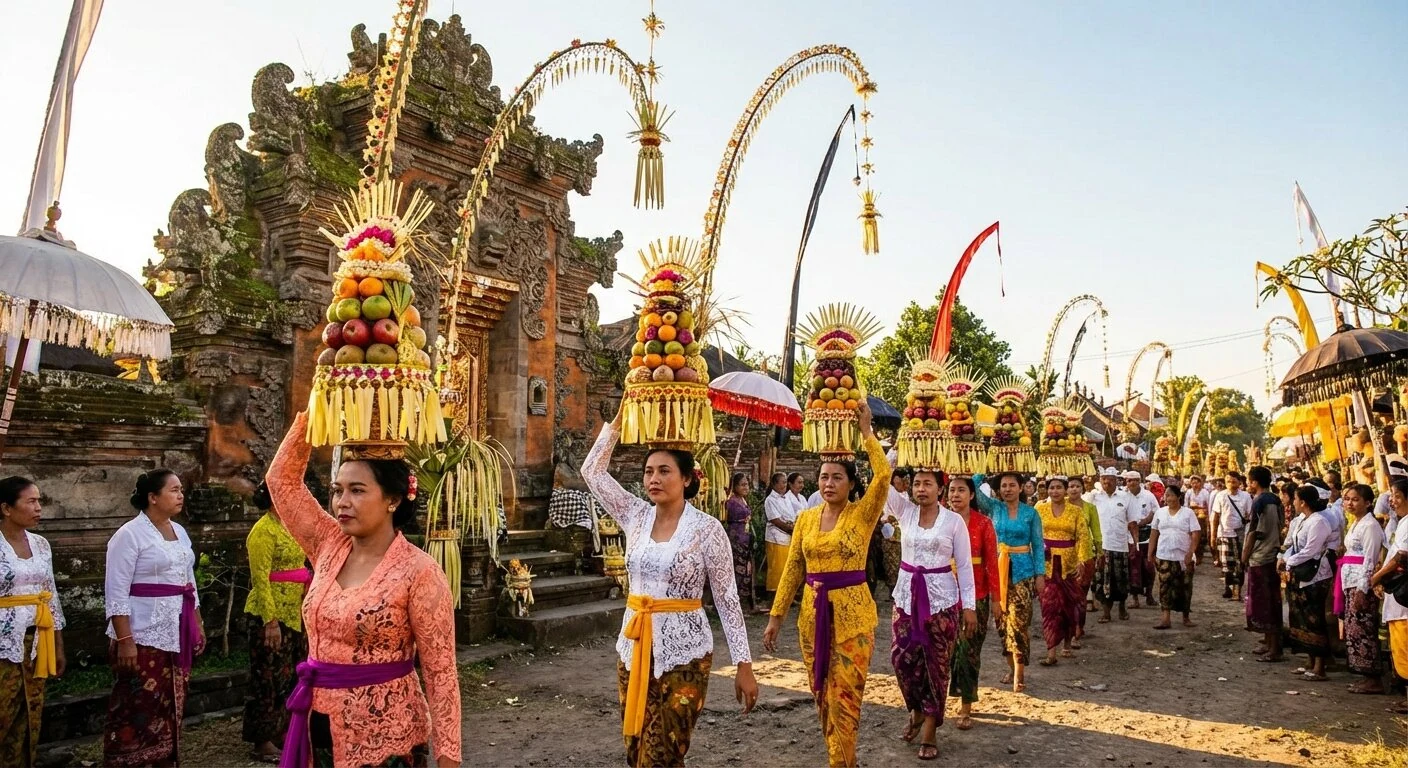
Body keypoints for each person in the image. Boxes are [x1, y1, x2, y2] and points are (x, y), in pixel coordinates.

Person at [266, 413, 461, 768]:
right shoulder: (328, 545)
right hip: (318, 721)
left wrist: (449, 757)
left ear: (393, 500)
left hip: (388, 736)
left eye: (357, 490)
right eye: (337, 490)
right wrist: (317, 411)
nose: (342, 501)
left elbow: (441, 671)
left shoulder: (419, 571)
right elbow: (282, 481)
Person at [583, 408, 757, 767]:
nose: (654, 479)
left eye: (664, 471)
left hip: (685, 652)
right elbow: (592, 472)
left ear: (687, 478)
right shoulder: (635, 515)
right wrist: (618, 423)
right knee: (636, 748)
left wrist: (744, 664)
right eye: (649, 471)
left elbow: (727, 599)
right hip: (633, 647)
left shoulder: (707, 529)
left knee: (664, 752)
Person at [764, 402, 888, 768]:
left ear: (851, 483)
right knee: (822, 693)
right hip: (812, 616)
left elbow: (883, 477)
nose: (829, 483)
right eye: (823, 477)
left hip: (854, 619)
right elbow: (793, 569)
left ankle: (840, 762)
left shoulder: (863, 514)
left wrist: (867, 433)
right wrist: (775, 617)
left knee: (845, 696)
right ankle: (842, 757)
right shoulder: (805, 518)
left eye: (837, 478)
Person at [103, 469, 205, 767]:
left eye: (181, 490)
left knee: (172, 699)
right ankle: (129, 759)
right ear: (153, 497)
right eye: (174, 490)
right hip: (142, 632)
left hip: (178, 627)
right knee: (137, 703)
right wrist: (125, 640)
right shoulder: (129, 535)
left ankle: (164, 758)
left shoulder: (180, 532)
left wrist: (197, 623)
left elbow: (188, 581)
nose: (181, 495)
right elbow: (116, 591)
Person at [888, 469, 977, 760]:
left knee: (936, 666)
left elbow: (964, 565)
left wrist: (969, 607)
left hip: (941, 602)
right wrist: (895, 452)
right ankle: (915, 710)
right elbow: (882, 479)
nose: (921, 489)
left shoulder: (953, 522)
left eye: (928, 484)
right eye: (916, 483)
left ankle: (929, 729)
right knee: (902, 660)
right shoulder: (904, 512)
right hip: (906, 598)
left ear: (940, 489)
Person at [242, 480, 311, 763]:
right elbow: (260, 579)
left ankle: (285, 731)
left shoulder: (292, 526)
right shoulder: (263, 531)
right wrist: (270, 622)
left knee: (292, 674)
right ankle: (262, 740)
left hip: (295, 611)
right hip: (269, 614)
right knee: (267, 677)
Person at [0, 477, 66, 768]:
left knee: (29, 717)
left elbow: (50, 594)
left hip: (38, 640)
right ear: (6, 508)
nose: (39, 508)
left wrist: (58, 644)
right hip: (4, 644)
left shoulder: (40, 544)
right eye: (31, 501)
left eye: (39, 501)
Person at [973, 472, 1045, 692]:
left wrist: (1040, 575)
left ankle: (1020, 673)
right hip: (997, 572)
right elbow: (974, 490)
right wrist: (983, 473)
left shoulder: (1031, 513)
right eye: (1003, 486)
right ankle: (1012, 668)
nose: (1007, 489)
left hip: (1023, 573)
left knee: (1019, 623)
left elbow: (1038, 545)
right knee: (1002, 624)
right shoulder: (994, 508)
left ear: (1021, 487)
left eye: (1012, 485)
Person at [945, 476, 998, 732]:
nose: (955, 495)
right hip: (944, 594)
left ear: (972, 495)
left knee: (969, 651)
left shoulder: (983, 523)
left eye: (961, 490)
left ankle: (966, 704)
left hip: (976, 596)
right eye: (952, 490)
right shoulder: (940, 520)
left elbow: (992, 564)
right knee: (947, 650)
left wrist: (997, 599)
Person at [1034, 477, 1092, 665]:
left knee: (1069, 606)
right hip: (1046, 564)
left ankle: (1067, 644)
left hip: (1069, 566)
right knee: (1049, 607)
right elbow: (1034, 535)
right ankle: (1051, 652)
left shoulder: (1076, 511)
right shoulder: (1039, 509)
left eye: (1059, 487)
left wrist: (1082, 560)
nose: (1055, 491)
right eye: (1051, 488)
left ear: (1065, 490)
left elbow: (1083, 537)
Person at [1280, 484, 1335, 681]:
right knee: (1302, 618)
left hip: (1315, 575)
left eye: (1295, 499)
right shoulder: (1303, 520)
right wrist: (1285, 558)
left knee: (1314, 619)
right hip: (1300, 573)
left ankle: (1320, 666)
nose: (1293, 502)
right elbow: (1294, 545)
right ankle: (1310, 661)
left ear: (1303, 502)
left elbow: (1311, 550)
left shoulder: (1319, 522)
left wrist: (1289, 561)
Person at [1338, 483, 1384, 694]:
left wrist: (1362, 589)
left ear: (1367, 503)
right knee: (1354, 629)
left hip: (1361, 583)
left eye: (1355, 499)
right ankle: (1365, 676)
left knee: (1364, 629)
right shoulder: (1356, 523)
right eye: (1347, 499)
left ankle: (1374, 678)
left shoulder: (1370, 526)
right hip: (1350, 581)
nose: (1350, 503)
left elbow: (1370, 559)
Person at [1370, 478, 1408, 714]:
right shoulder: (1402, 522)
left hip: (1403, 593)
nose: (1391, 501)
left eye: (1396, 496)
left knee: (1404, 645)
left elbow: (1402, 555)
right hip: (1397, 593)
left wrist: (1379, 576)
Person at [1241, 466, 1284, 661]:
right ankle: (1268, 642)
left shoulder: (1260, 501)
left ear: (1255, 482)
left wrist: (1244, 556)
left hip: (1261, 556)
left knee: (1266, 603)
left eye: (1250, 481)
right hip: (1271, 552)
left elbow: (1253, 532)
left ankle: (1274, 648)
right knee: (1268, 601)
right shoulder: (1275, 499)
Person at [1148, 485, 1201, 629]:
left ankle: (1186, 617)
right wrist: (1150, 552)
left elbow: (1196, 533)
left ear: (1178, 497)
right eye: (1166, 495)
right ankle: (1165, 619)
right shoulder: (1160, 512)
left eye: (1170, 495)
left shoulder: (1188, 513)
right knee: (1164, 586)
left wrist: (1191, 552)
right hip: (1164, 554)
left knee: (1185, 587)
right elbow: (1154, 532)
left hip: (1183, 557)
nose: (1167, 498)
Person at [1089, 468, 1139, 622]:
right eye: (1104, 479)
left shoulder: (1126, 497)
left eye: (1110, 479)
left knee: (1121, 579)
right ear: (1100, 480)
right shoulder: (1094, 498)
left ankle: (1122, 607)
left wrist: (1134, 544)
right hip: (1101, 547)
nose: (1107, 482)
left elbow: (1132, 523)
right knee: (1102, 579)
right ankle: (1106, 612)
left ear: (1116, 480)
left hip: (1120, 546)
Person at [1066, 476, 1102, 640]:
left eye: (1077, 486)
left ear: (1082, 488)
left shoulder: (1090, 508)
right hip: (1064, 555)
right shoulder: (1060, 506)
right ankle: (1067, 628)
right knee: (1066, 595)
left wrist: (1100, 552)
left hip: (1085, 554)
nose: (1074, 489)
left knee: (1080, 594)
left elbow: (1096, 532)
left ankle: (1078, 627)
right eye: (1071, 486)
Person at [1210, 472, 1252, 601]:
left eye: (1233, 481)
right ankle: (1228, 588)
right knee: (1227, 564)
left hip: (1240, 535)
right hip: (1224, 534)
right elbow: (1215, 517)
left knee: (1239, 563)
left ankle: (1236, 591)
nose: (1231, 484)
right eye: (1228, 481)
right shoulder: (1220, 496)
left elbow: (1250, 515)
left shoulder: (1246, 496)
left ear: (1239, 482)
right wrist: (1213, 535)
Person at [1123, 471, 1160, 608]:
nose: (1132, 483)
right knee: (1133, 567)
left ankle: (1149, 595)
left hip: (1146, 536)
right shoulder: (1123, 496)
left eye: (1135, 480)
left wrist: (1144, 521)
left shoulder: (1148, 495)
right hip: (1129, 537)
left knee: (1148, 566)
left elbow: (1156, 511)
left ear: (1139, 481)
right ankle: (1135, 598)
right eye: (1129, 481)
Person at [725, 473, 757, 612]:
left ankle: (747, 602)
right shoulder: (731, 502)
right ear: (735, 486)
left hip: (746, 538)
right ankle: (735, 604)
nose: (746, 487)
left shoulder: (743, 500)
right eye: (742, 485)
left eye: (747, 484)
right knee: (737, 570)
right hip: (736, 539)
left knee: (747, 569)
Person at [764, 473, 798, 598]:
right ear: (774, 484)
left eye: (785, 482)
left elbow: (790, 516)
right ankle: (775, 596)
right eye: (782, 482)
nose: (785, 485)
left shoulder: (786, 498)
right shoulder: (770, 500)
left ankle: (787, 596)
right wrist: (791, 529)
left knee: (787, 568)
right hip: (777, 537)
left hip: (787, 537)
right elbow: (775, 520)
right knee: (777, 568)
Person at [1186, 475, 1212, 557]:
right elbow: (1186, 505)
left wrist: (1208, 517)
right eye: (1193, 483)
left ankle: (1199, 554)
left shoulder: (1205, 492)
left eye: (1196, 483)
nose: (1195, 485)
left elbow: (1209, 505)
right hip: (1191, 515)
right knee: (1191, 535)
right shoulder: (1189, 492)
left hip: (1202, 516)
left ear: (1200, 483)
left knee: (1200, 536)